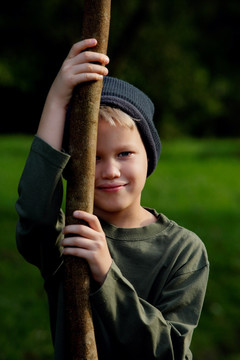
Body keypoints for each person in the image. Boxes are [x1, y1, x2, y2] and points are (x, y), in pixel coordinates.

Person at [16, 38, 209, 360]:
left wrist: (106, 273)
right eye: (92, 157)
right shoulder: (70, 239)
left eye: (124, 153)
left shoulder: (183, 250)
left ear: (149, 157)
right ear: (69, 165)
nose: (109, 170)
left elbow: (168, 353)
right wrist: (56, 101)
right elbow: (34, 213)